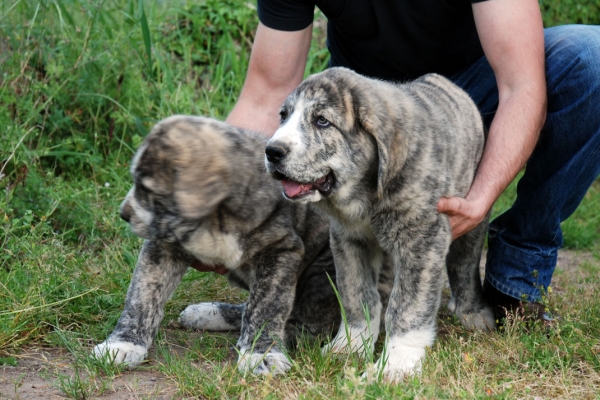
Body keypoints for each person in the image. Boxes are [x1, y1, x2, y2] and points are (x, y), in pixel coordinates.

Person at [225, 0, 600, 325]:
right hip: (363, 100)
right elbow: (266, 92)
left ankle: (516, 281)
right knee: (337, 262)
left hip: (471, 88)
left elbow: (521, 85)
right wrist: (219, 203)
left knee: (590, 59)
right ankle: (360, 258)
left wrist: (480, 197)